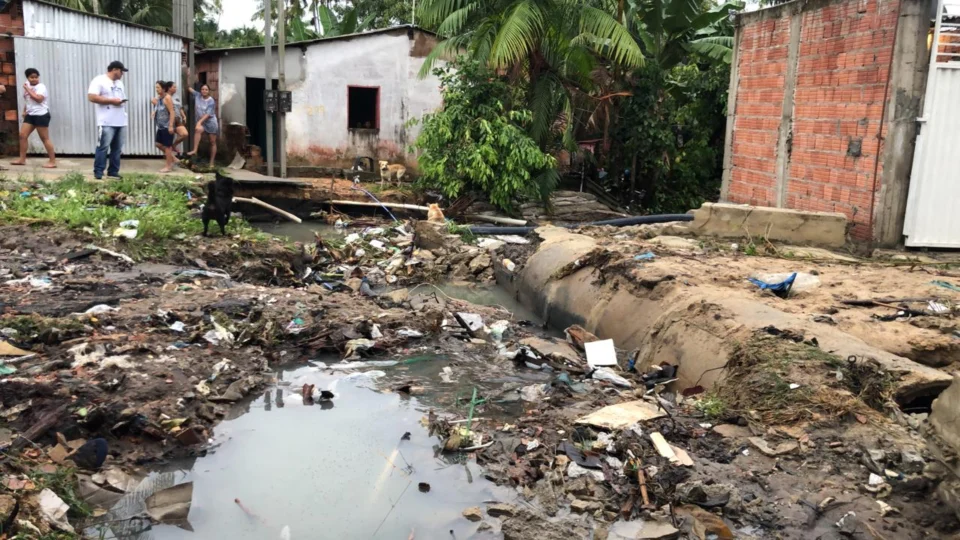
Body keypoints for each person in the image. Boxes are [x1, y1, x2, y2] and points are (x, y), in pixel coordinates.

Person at [87, 61, 128, 179]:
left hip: (120, 120)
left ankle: (113, 172)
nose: (122, 74)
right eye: (121, 71)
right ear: (114, 70)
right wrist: (111, 101)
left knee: (117, 148)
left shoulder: (119, 83)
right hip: (106, 121)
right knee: (103, 146)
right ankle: (99, 172)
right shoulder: (99, 80)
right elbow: (92, 97)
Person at [11, 68, 55, 168]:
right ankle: (22, 159)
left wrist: (27, 89)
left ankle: (52, 161)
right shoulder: (28, 85)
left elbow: (39, 99)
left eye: (36, 77)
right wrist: (24, 110)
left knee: (44, 138)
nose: (34, 79)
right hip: (30, 115)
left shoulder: (41, 87)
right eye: (32, 77)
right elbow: (28, 100)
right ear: (27, 78)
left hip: (41, 114)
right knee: (22, 136)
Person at [186, 84, 218, 167]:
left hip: (211, 122)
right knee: (198, 130)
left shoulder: (211, 101)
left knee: (212, 142)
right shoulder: (197, 95)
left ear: (209, 91)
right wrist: (187, 80)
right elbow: (189, 88)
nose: (204, 91)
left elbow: (207, 114)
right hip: (202, 122)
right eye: (202, 89)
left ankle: (211, 163)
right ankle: (195, 150)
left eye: (206, 89)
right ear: (200, 90)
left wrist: (199, 122)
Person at [154, 81, 177, 173]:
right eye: (156, 87)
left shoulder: (167, 98)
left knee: (168, 147)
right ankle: (173, 158)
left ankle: (168, 167)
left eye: (158, 87)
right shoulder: (160, 98)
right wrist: (153, 112)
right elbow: (157, 107)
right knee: (158, 144)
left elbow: (172, 112)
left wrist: (170, 126)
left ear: (163, 89)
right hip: (161, 126)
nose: (156, 89)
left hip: (167, 126)